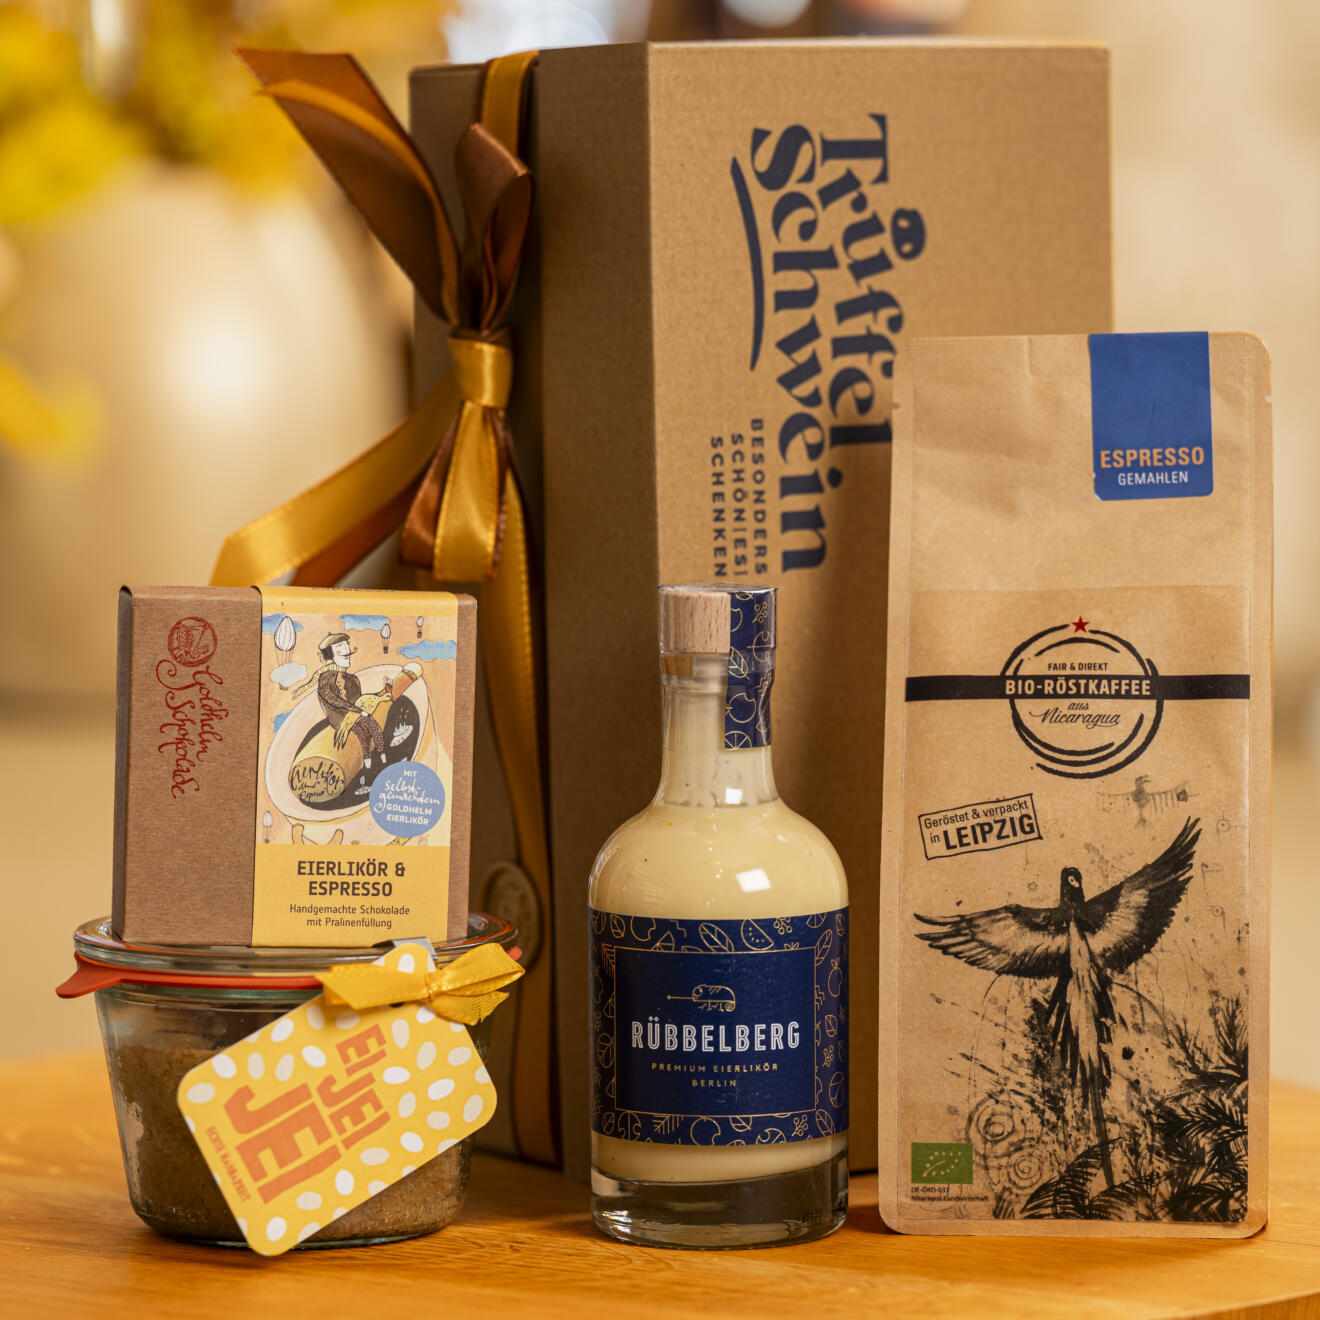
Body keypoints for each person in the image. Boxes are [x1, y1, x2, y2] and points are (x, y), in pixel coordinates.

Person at [315, 632, 386, 768]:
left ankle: (382, 754)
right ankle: (367, 761)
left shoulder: (353, 679)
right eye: (344, 655)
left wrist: (381, 694)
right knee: (361, 732)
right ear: (333, 655)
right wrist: (357, 710)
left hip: (355, 712)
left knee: (373, 726)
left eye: (348, 655)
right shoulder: (326, 677)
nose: (348, 659)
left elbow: (360, 699)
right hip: (340, 716)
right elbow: (331, 699)